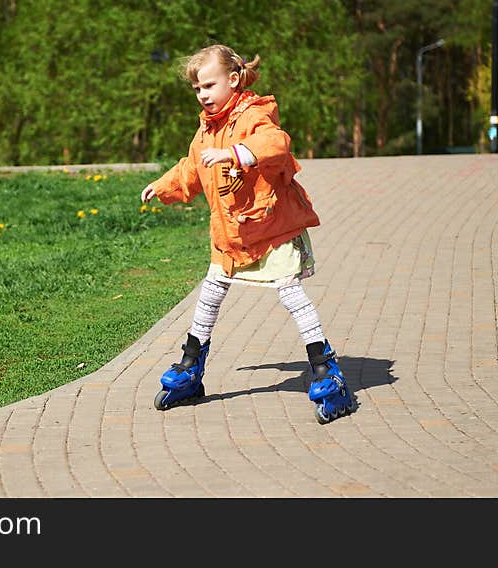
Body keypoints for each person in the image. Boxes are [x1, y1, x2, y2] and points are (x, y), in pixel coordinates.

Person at [141, 44, 356, 423]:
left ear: (234, 80)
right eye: (197, 89)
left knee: (290, 294)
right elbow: (191, 169)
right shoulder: (206, 131)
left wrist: (238, 153)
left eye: (209, 85)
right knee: (210, 293)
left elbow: (275, 144)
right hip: (230, 235)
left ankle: (326, 369)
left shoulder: (254, 115)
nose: (203, 94)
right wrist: (162, 187)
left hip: (269, 226)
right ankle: (191, 367)